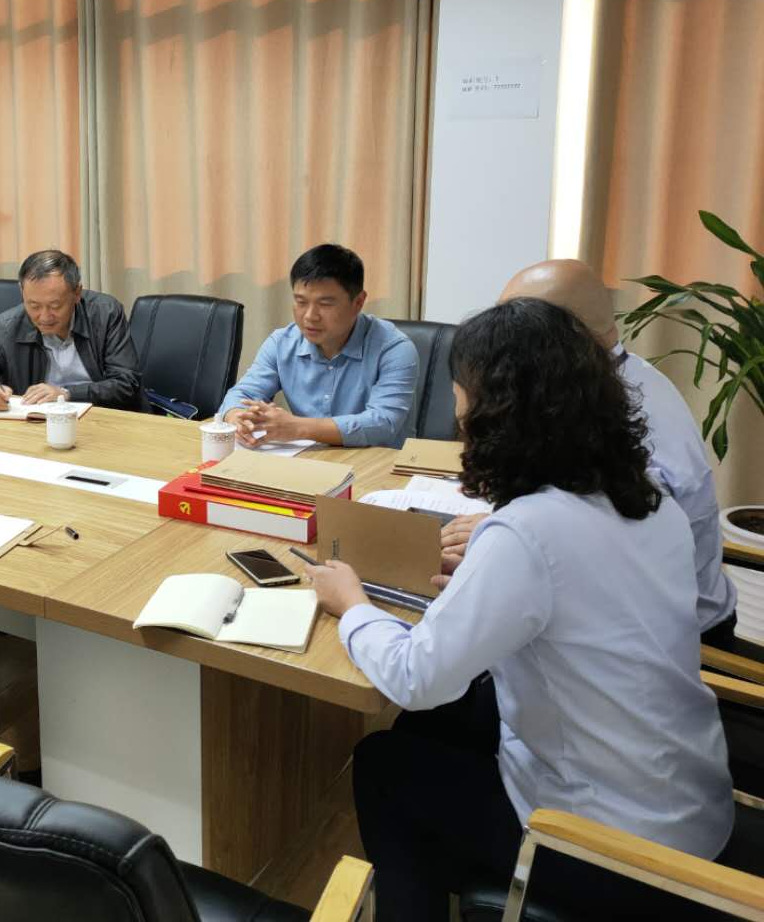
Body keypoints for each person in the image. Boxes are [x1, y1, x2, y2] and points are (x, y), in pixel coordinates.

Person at [305, 298, 734, 921]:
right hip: (690, 809)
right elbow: (581, 585)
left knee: (384, 765)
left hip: (612, 851)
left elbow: (414, 678)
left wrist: (351, 604)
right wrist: (493, 565)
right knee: (437, 725)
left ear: (494, 412)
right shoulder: (644, 497)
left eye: (461, 396)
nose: (456, 413)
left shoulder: (527, 533)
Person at [438, 258, 736, 649]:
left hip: (664, 637)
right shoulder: (609, 381)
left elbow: (622, 553)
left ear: (561, 335)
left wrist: (506, 540)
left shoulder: (630, 413)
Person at [218, 244, 418, 449]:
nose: (310, 316)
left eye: (325, 304)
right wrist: (237, 417)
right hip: (309, 458)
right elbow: (242, 394)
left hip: (377, 462)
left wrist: (298, 427)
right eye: (301, 302)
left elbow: (382, 423)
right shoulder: (281, 343)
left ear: (358, 302)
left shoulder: (394, 349)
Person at [0, 249, 146, 412]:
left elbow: (126, 383)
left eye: (55, 306)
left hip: (103, 417)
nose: (44, 317)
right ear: (22, 291)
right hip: (39, 423)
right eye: (34, 306)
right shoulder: (9, 325)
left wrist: (66, 394)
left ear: (77, 293)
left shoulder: (105, 313)